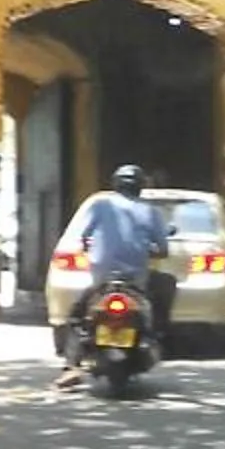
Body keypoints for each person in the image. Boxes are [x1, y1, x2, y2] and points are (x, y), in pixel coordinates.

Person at [55, 161, 175, 389]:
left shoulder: (100, 206)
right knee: (165, 288)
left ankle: (71, 367)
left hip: (103, 280)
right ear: (140, 187)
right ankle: (157, 336)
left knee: (76, 317)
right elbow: (164, 250)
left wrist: (90, 247)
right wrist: (148, 249)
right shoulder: (150, 212)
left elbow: (81, 237)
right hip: (135, 281)